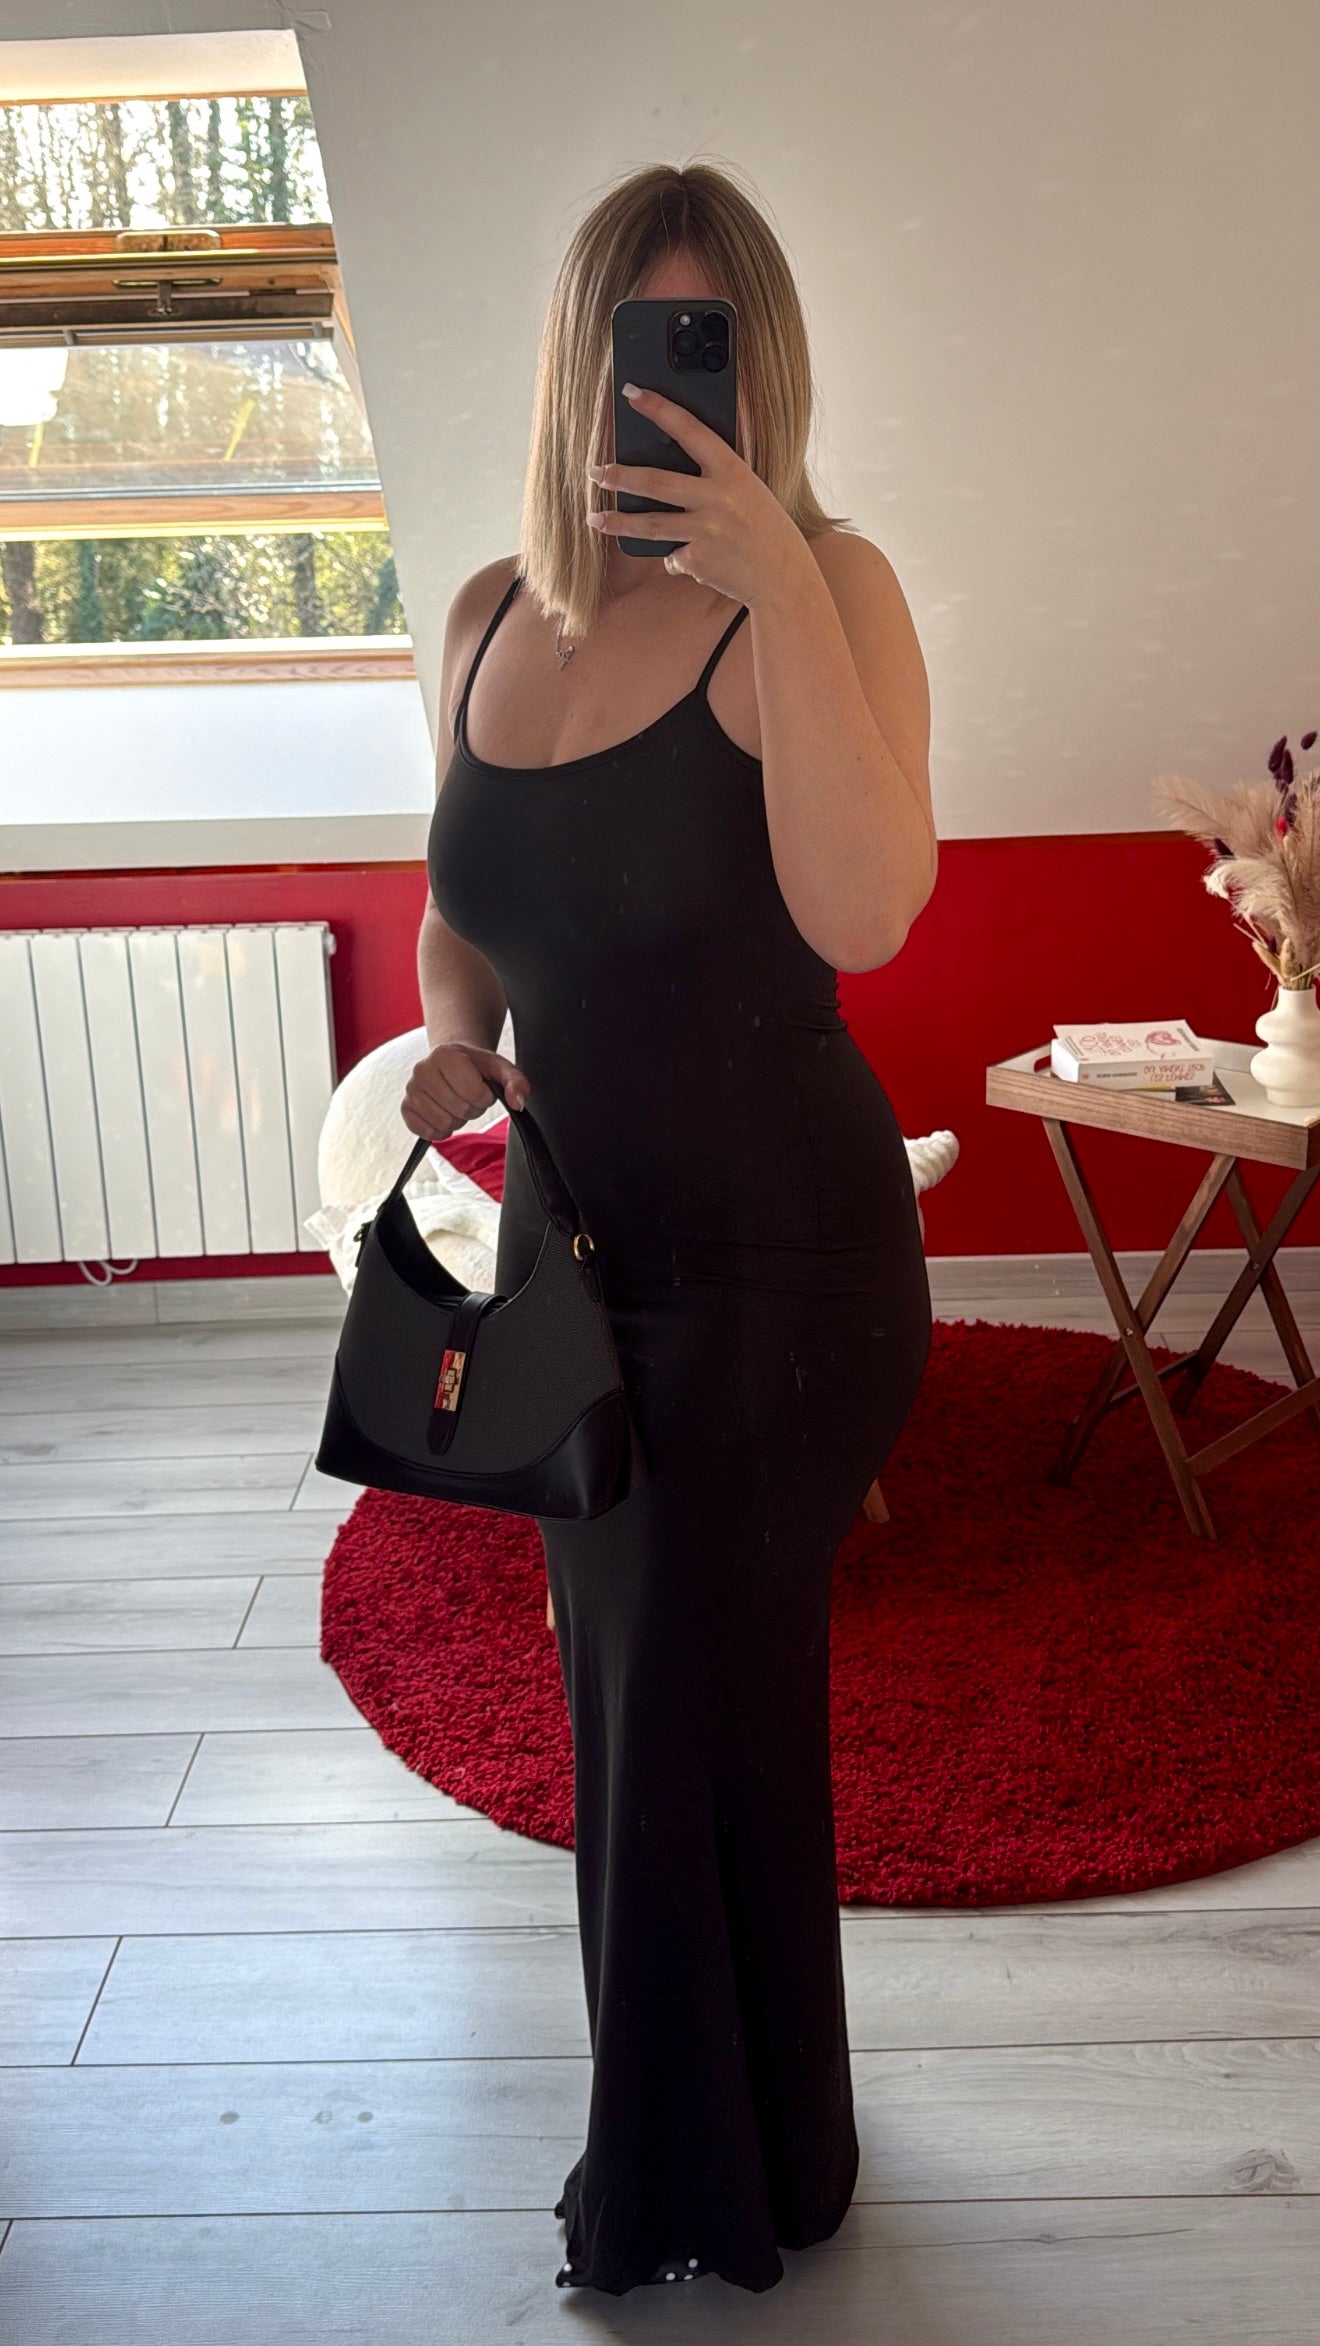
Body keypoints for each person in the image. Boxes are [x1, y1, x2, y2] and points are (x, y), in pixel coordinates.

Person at [406, 159, 936, 2297]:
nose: (660, 396)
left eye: (700, 353)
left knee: (676, 1705)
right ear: (575, 363)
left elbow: (866, 914)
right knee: (648, 1704)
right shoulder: (481, 617)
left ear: (762, 373)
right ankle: (776, 2143)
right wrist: (454, 1043)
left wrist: (781, 588)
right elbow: (462, 914)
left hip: (787, 1274)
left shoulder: (831, 588)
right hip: (577, 1261)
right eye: (635, 350)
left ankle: (682, 2183)